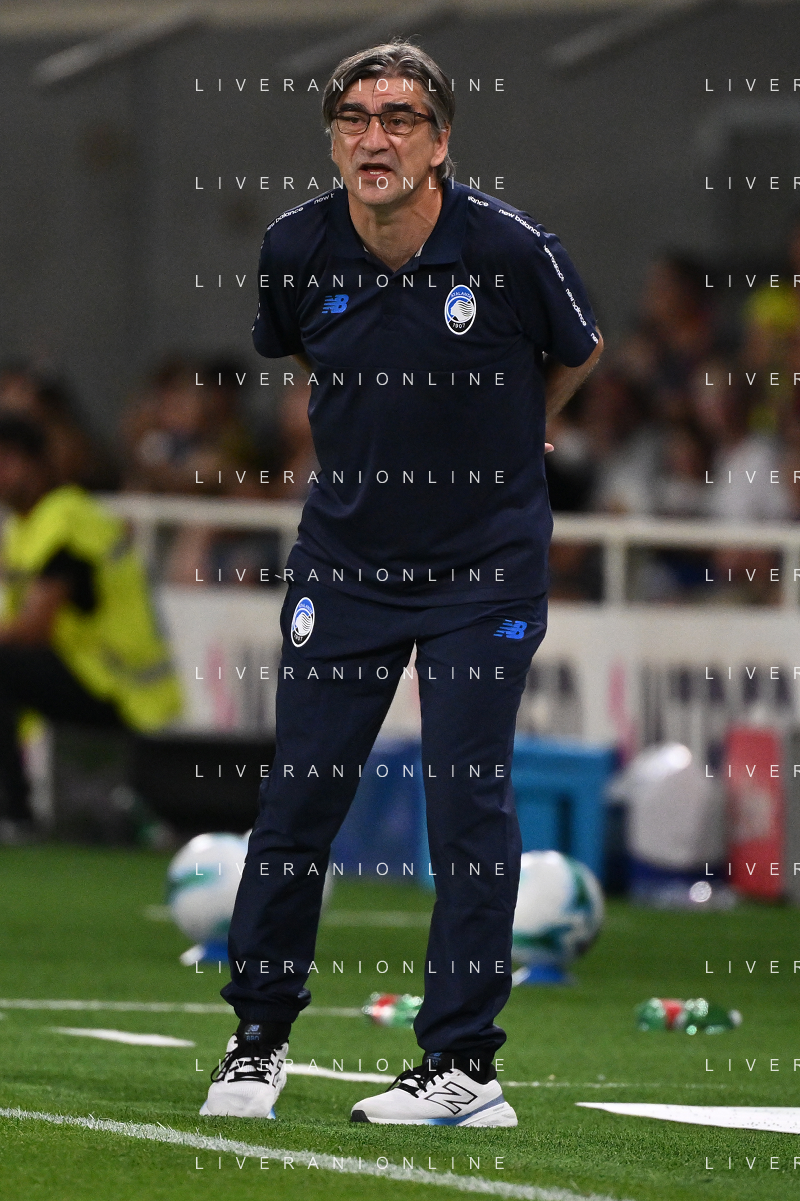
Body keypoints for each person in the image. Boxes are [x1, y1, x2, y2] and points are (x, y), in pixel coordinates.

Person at [202, 41, 603, 1126]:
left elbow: (577, 351)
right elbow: (303, 358)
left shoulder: (511, 247)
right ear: (332, 138)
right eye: (353, 118)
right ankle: (257, 1039)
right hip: (346, 565)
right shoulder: (294, 247)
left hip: (485, 571)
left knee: (465, 802)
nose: (373, 137)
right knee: (297, 800)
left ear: (440, 143)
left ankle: (464, 1066)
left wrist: (513, 435)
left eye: (399, 118)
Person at [0, 414, 182, 842]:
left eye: (4, 460)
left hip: (123, 688)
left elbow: (34, 628)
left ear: (35, 463)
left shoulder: (66, 518)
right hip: (97, 676)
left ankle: (14, 813)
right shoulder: (27, 525)